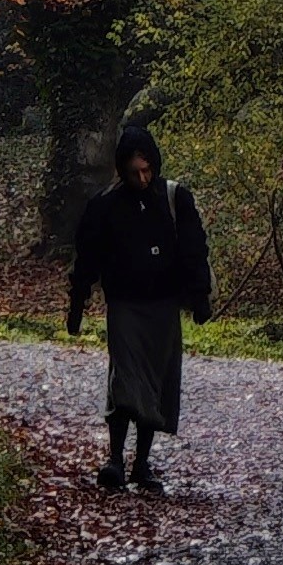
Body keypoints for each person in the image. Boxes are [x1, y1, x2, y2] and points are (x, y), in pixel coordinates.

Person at [65, 123, 212, 493]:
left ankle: (141, 463)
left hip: (163, 305)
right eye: (134, 173)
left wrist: (200, 297)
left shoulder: (175, 198)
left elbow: (194, 249)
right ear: (122, 169)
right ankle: (115, 458)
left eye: (147, 170)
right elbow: (88, 257)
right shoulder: (105, 206)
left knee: (157, 382)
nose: (142, 179)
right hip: (126, 304)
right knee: (127, 380)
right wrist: (77, 303)